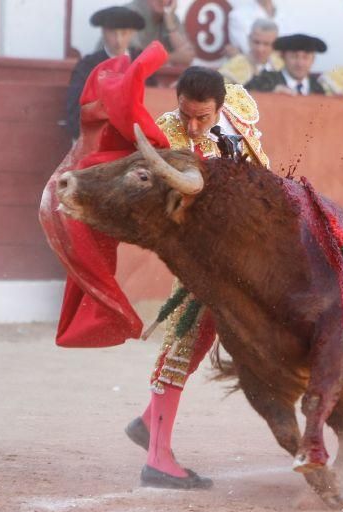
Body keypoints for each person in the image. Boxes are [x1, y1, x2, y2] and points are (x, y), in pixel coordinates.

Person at [123, 66, 269, 489]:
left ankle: (149, 423)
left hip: (244, 249)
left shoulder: (240, 106)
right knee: (184, 339)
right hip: (199, 255)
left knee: (203, 337)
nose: (191, 125)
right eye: (185, 113)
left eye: (201, 118)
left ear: (220, 107)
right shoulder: (166, 135)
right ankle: (158, 459)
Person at [66, 6, 147, 139]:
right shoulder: (87, 66)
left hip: (137, 140)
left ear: (132, 33)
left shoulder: (141, 62)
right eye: (113, 33)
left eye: (124, 33)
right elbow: (75, 111)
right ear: (103, 32)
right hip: (99, 139)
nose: (118, 40)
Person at [245, 33, 326, 95]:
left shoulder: (317, 87)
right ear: (283, 57)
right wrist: (269, 95)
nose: (300, 63)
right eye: (294, 57)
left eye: (305, 57)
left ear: (313, 60)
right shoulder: (264, 80)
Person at [120, 0, 194, 66]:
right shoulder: (130, 13)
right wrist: (173, 57)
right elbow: (137, 58)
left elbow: (188, 55)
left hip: (158, 77)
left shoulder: (169, 15)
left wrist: (170, 22)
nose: (161, 1)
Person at [219, 18, 283, 86]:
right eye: (256, 42)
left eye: (266, 44)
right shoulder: (231, 68)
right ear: (249, 39)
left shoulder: (282, 65)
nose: (260, 49)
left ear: (275, 44)